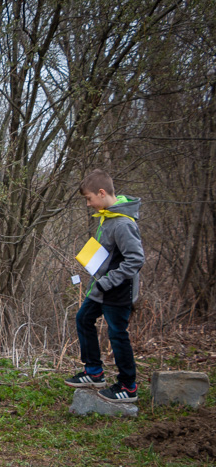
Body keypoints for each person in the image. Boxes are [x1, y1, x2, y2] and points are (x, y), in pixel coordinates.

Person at [65, 169, 144, 403]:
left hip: (118, 289)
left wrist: (108, 280)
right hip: (101, 287)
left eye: (89, 198)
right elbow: (109, 252)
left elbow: (135, 259)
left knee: (117, 334)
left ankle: (128, 386)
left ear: (101, 193)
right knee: (83, 318)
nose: (88, 204)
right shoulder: (107, 217)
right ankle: (94, 372)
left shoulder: (121, 223)